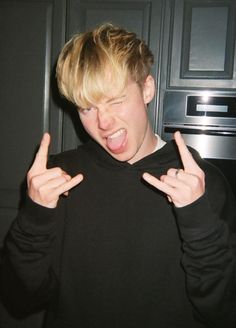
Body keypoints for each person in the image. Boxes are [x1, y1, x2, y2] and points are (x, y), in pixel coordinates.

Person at [1, 23, 236, 328]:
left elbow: (225, 312)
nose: (104, 122)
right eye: (87, 108)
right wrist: (34, 217)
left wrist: (198, 221)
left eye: (115, 100)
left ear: (147, 88)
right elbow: (20, 299)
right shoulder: (59, 179)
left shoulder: (203, 183)